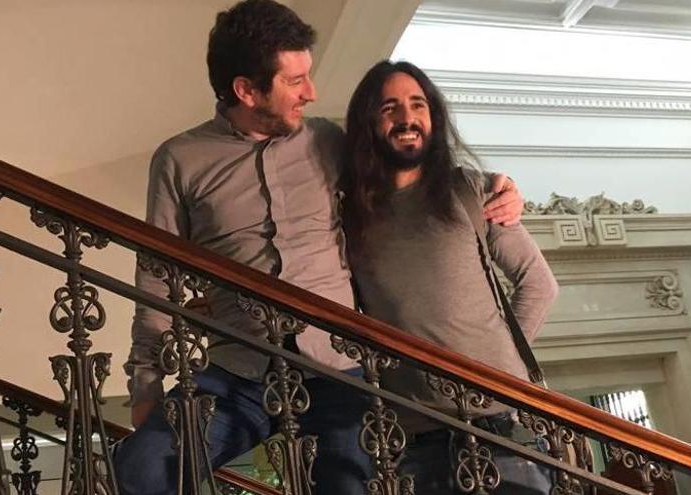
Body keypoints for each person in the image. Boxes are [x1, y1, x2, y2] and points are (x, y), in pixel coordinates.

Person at [114, 1, 526, 494]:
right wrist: (145, 382)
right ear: (246, 90)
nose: (311, 92)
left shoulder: (329, 141)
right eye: (295, 82)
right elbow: (157, 275)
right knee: (141, 469)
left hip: (336, 371)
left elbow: (404, 174)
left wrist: (493, 186)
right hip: (237, 370)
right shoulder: (179, 160)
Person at [341, 60, 559, 494]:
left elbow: (539, 284)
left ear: (433, 117)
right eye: (389, 108)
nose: (407, 118)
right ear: (369, 122)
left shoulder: (472, 189)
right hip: (416, 437)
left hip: (502, 428)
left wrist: (498, 371)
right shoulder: (349, 215)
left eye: (417, 104)